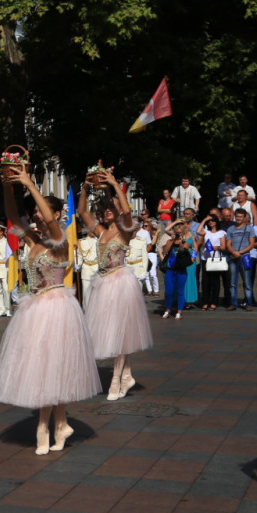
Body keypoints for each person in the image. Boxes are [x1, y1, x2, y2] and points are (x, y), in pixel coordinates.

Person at [0, 157, 98, 453]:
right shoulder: (33, 240)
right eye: (34, 211)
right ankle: (59, 424)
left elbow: (50, 221)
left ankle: (44, 426)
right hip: (35, 308)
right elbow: (12, 216)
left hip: (57, 309)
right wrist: (8, 185)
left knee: (54, 365)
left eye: (39, 210)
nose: (36, 214)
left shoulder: (60, 239)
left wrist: (29, 182)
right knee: (45, 368)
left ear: (57, 213)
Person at [81, 171, 152, 400]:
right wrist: (85, 187)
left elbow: (128, 212)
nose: (108, 210)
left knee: (119, 332)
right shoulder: (101, 231)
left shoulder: (125, 230)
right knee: (114, 332)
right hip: (103, 283)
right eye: (105, 208)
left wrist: (113, 184)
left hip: (120, 282)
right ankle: (126, 375)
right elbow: (82, 212)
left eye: (112, 207)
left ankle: (116, 380)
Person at [158, 220, 194, 320]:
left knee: (180, 291)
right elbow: (165, 250)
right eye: (177, 232)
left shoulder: (185, 243)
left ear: (183, 233)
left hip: (181, 270)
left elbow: (184, 249)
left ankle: (179, 311)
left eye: (180, 232)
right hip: (170, 269)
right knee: (168, 292)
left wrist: (181, 241)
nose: (178, 234)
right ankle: (167, 310)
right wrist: (172, 240)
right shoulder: (170, 241)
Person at [224, 208, 257, 309]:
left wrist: (240, 252)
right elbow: (228, 244)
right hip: (233, 257)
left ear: (244, 218)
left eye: (241, 217)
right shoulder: (230, 229)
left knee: (247, 282)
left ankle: (249, 303)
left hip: (245, 257)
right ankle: (233, 303)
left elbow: (252, 244)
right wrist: (233, 252)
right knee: (232, 282)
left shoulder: (249, 229)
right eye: (237, 216)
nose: (238, 218)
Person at [198, 215, 228, 310]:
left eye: (213, 220)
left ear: (216, 222)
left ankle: (214, 301)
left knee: (215, 281)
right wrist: (204, 219)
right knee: (205, 281)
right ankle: (205, 301)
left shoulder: (221, 232)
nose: (211, 222)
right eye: (209, 221)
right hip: (206, 258)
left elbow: (223, 247)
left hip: (216, 258)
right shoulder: (206, 231)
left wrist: (216, 247)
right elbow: (198, 231)